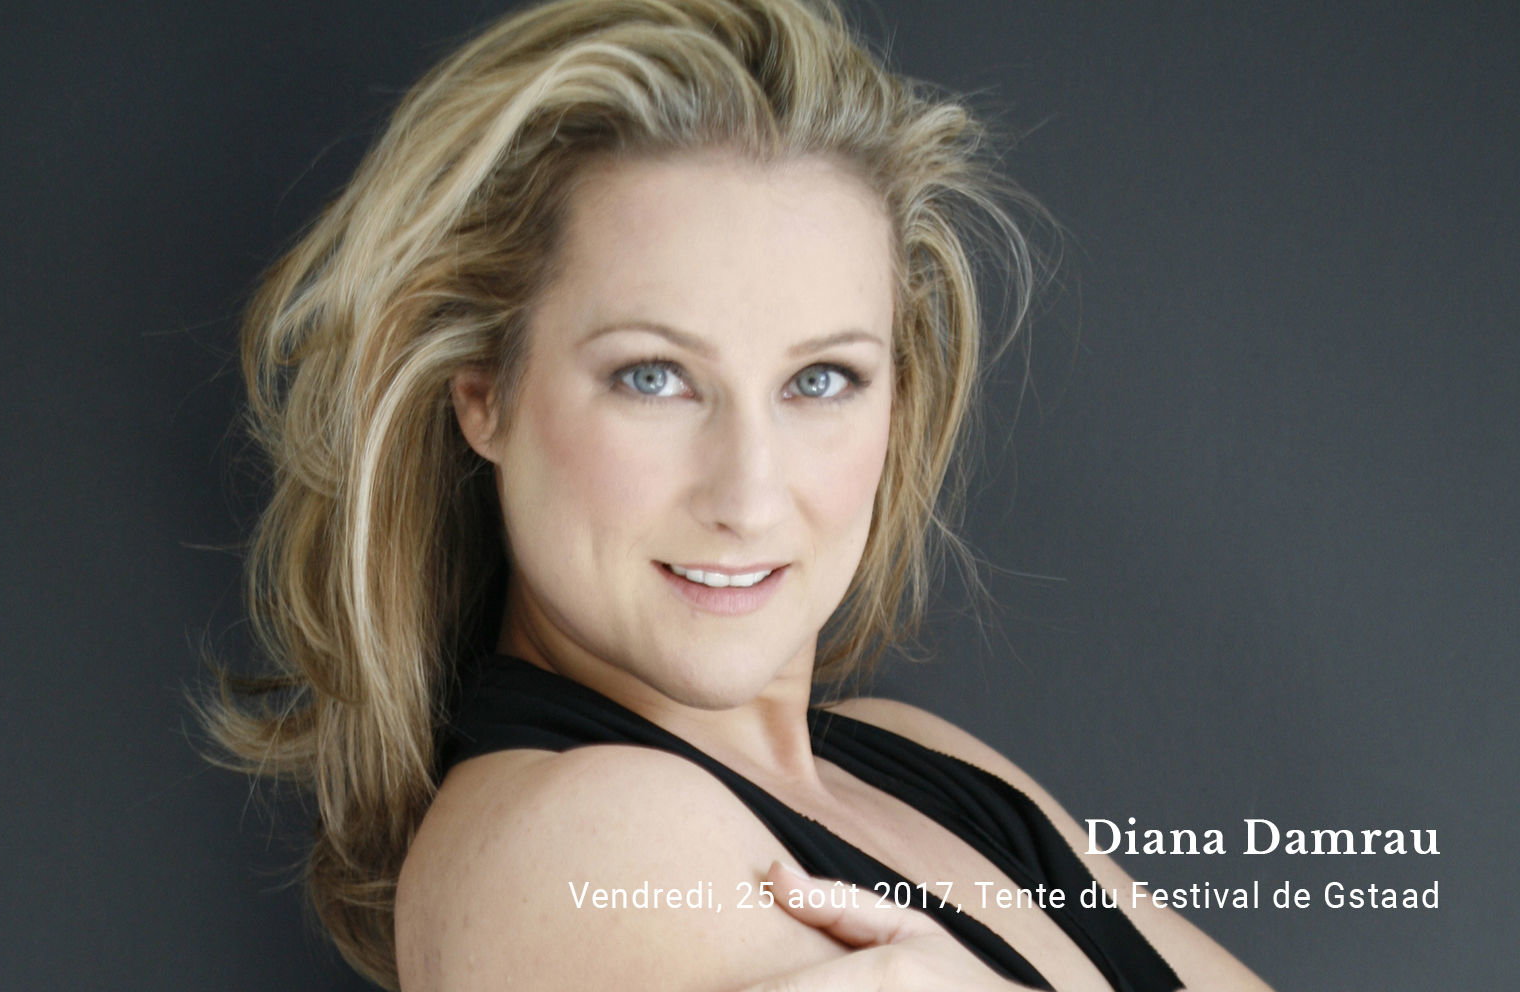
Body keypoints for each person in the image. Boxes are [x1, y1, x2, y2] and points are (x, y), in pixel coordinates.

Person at [194, 0, 1273, 988]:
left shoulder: (925, 761)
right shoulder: (583, 844)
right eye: (653, 378)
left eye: (822, 380)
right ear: (485, 394)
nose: (750, 496)